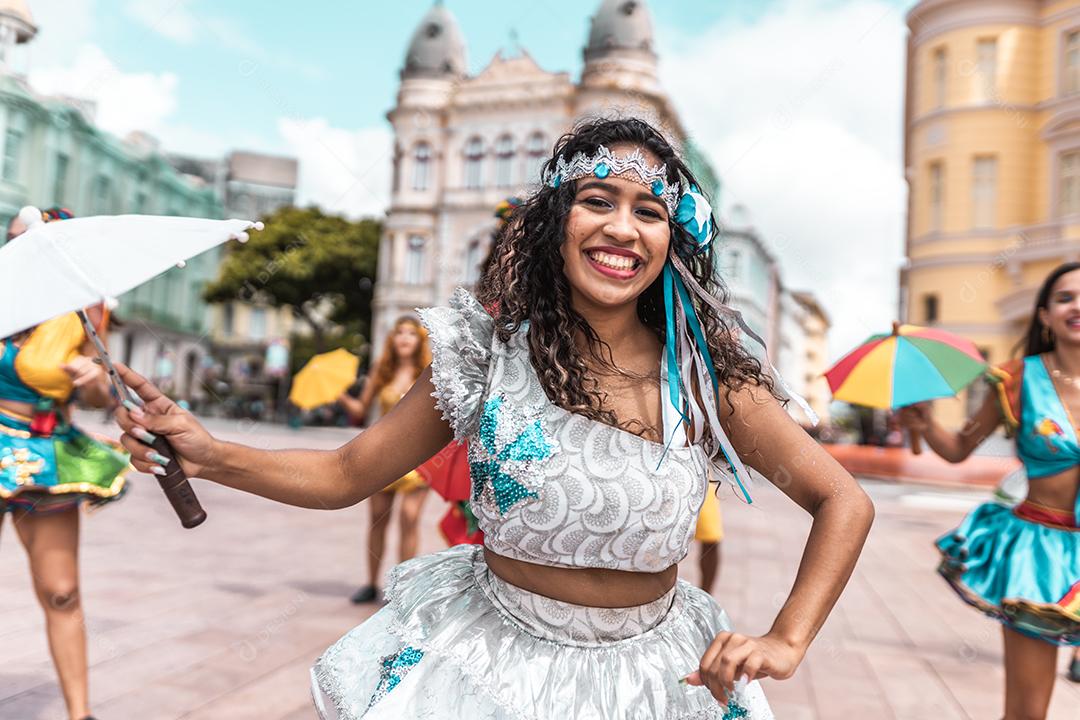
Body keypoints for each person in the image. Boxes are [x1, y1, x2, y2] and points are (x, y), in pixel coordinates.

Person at [114, 118, 873, 719]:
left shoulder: (707, 379)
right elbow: (347, 473)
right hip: (484, 666)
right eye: (598, 200)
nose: (622, 228)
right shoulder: (485, 352)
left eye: (649, 211)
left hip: (659, 682)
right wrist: (212, 453)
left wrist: (788, 637)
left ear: (673, 240)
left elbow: (843, 499)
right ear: (559, 223)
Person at [899, 262, 1080, 720]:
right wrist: (925, 421)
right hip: (1038, 555)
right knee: (1026, 712)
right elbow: (960, 449)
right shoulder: (1016, 380)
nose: (1077, 306)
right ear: (1043, 315)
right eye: (1065, 298)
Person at [0, 206, 130, 720]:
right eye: (12, 240)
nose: (18, 249)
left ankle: (81, 715)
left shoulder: (79, 309)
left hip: (48, 451)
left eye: (31, 240)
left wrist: (92, 378)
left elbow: (106, 391)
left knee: (61, 591)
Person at [337, 316, 432, 603]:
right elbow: (360, 408)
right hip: (384, 456)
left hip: (419, 457)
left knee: (409, 518)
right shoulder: (383, 369)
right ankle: (370, 583)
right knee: (378, 520)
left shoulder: (427, 372)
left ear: (419, 340)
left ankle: (403, 587)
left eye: (410, 333)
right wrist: (339, 395)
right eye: (399, 332)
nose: (404, 338)